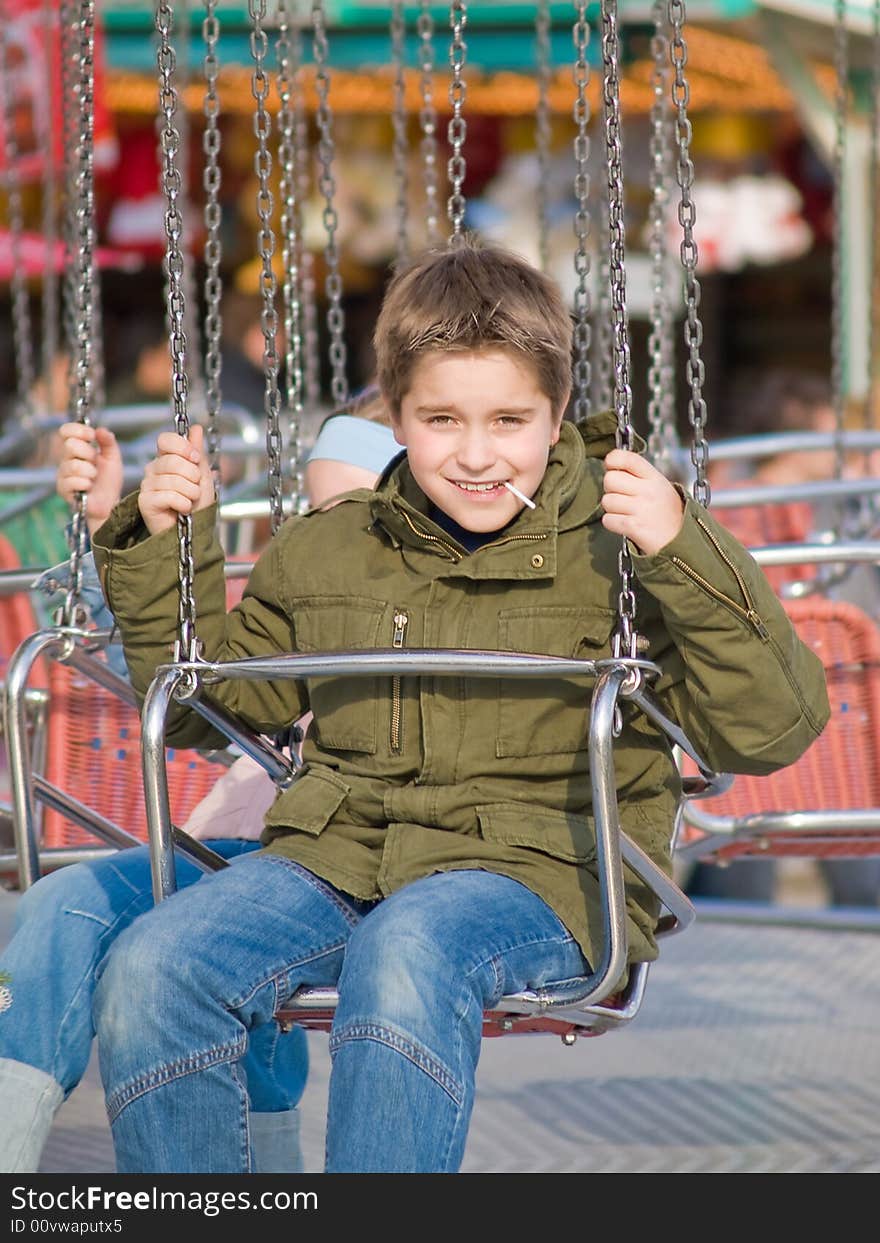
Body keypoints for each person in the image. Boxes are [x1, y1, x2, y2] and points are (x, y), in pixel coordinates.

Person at [89, 237, 829, 1173]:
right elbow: (204, 709)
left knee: (410, 946)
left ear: (557, 416)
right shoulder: (332, 550)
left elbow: (774, 726)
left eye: (509, 420)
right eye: (441, 419)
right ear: (394, 415)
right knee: (155, 964)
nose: (477, 455)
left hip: (546, 867)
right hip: (342, 853)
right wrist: (166, 550)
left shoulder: (623, 543)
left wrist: (681, 548)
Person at [686, 367, 880, 908]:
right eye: (826, 436)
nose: (835, 452)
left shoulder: (823, 501)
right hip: (781, 680)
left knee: (843, 835)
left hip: (824, 687)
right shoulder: (747, 501)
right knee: (749, 837)